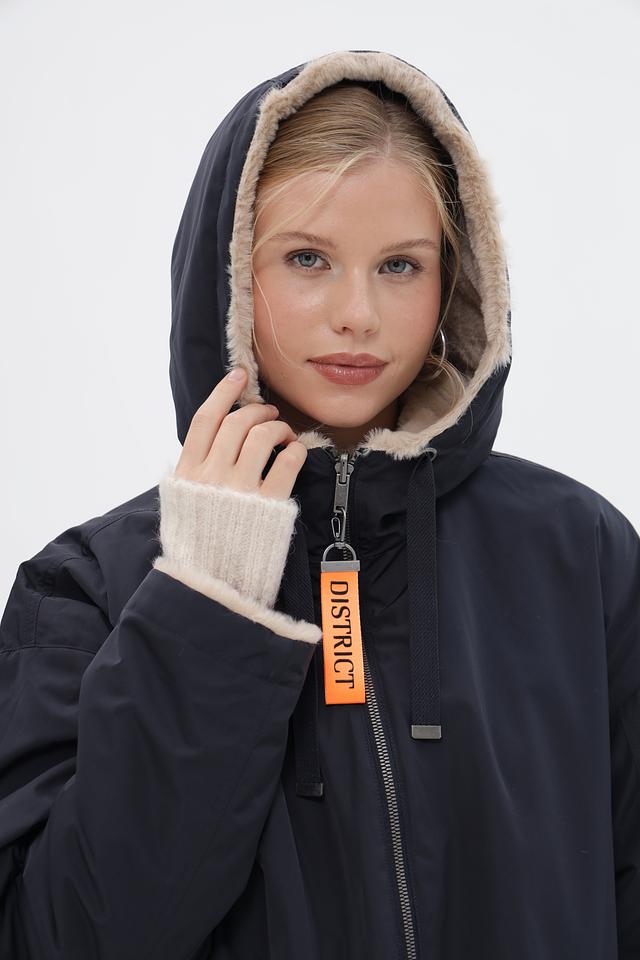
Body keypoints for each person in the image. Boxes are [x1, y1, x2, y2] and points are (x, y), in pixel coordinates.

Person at [0, 48, 638, 960]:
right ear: (229, 272)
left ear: (456, 282)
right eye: (308, 258)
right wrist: (206, 604)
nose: (359, 314)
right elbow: (63, 937)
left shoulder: (582, 554)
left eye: (401, 266)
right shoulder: (88, 588)